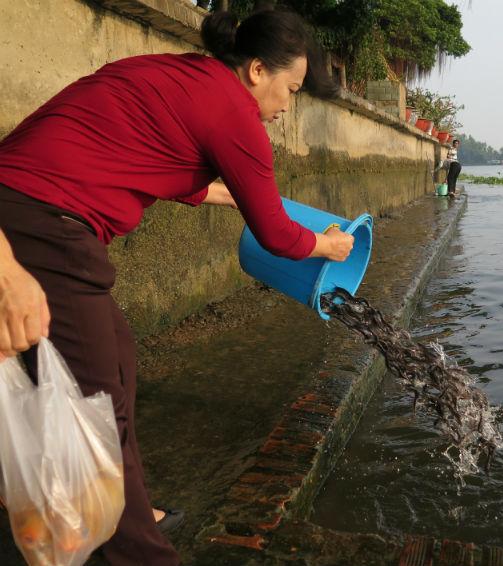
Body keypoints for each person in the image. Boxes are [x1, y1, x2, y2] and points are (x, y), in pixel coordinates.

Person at [0, 9, 353, 565]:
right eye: (289, 89)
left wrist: (236, 195)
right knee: (99, 396)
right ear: (258, 70)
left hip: (28, 208)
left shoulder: (190, 77)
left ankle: (129, 505)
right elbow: (278, 237)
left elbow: (160, 161)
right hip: (44, 222)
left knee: (116, 354)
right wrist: (326, 247)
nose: (288, 107)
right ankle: (136, 549)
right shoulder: (235, 112)